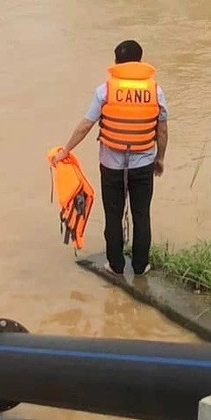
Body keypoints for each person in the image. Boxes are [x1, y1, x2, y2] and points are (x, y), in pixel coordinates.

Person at [55, 40, 167, 276]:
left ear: (116, 62)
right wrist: (160, 158)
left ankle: (115, 266)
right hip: (143, 165)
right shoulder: (156, 91)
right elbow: (162, 130)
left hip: (111, 166)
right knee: (141, 215)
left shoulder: (104, 90)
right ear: (140, 61)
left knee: (113, 215)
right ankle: (140, 267)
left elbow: (86, 125)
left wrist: (66, 150)